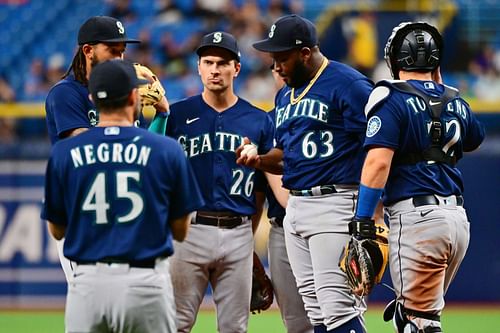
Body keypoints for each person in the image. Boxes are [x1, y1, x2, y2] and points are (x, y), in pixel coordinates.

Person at [41, 59, 204, 333]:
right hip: (145, 281)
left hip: (88, 284)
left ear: (92, 98)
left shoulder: (64, 153)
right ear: (133, 96)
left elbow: (57, 230)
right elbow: (180, 230)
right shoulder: (166, 150)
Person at [239, 14, 374, 332]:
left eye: (282, 57)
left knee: (339, 308)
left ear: (305, 53)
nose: (276, 66)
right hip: (296, 209)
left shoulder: (348, 84)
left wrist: (372, 213)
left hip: (336, 201)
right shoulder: (285, 94)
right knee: (315, 313)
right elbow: (287, 156)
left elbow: (378, 146)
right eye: (273, 58)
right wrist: (258, 160)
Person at [354, 22, 485, 333]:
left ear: (395, 61)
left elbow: (377, 163)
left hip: (418, 221)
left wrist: (362, 221)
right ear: (436, 62)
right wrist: (436, 94)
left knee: (420, 325)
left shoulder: (390, 96)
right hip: (456, 223)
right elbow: (474, 137)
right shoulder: (454, 99)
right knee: (416, 315)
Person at [44, 15, 169, 282]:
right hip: (82, 211)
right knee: (91, 307)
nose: (120, 58)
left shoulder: (123, 93)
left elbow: (140, 153)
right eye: (112, 50)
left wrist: (161, 114)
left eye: (122, 51)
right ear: (88, 51)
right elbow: (87, 151)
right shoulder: (65, 93)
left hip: (122, 209)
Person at [165, 31, 275, 333]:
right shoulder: (176, 115)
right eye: (208, 62)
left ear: (236, 68)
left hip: (238, 231)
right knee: (175, 324)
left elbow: (261, 191)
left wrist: (249, 240)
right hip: (189, 230)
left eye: (223, 63)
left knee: (234, 328)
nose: (215, 69)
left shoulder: (258, 120)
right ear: (198, 67)